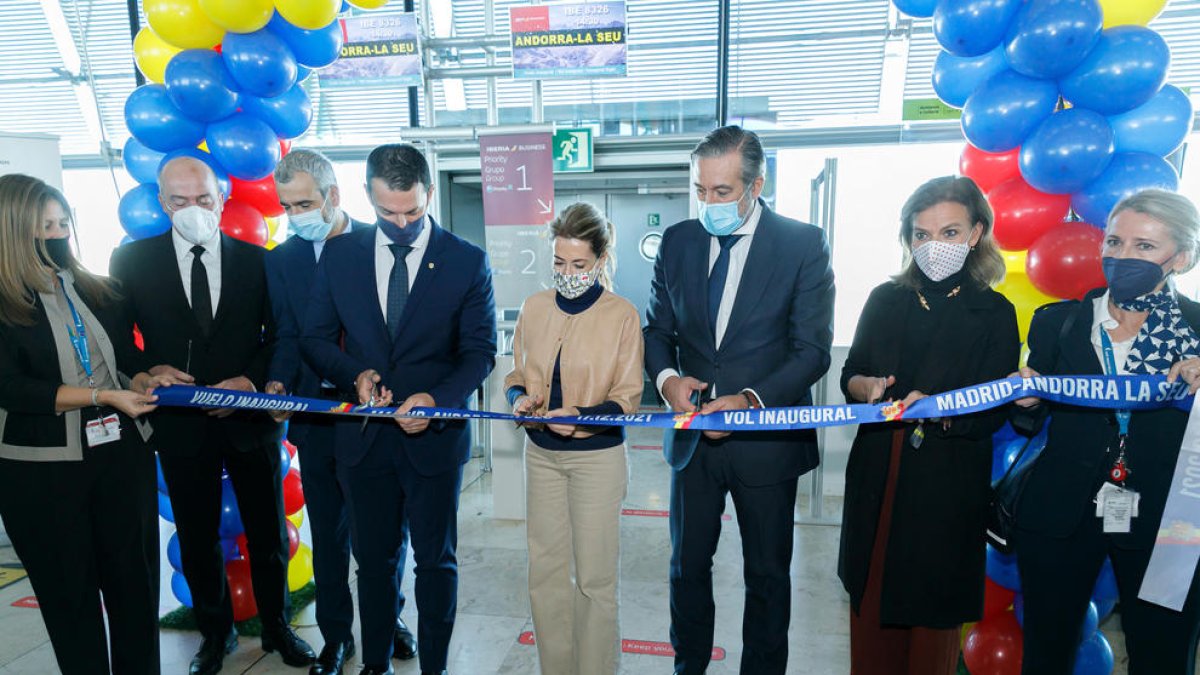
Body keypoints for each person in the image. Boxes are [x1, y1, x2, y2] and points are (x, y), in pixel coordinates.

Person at [110, 157, 315, 675]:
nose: (192, 209)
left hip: (249, 422)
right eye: (179, 201)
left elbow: (280, 336)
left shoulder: (258, 260)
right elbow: (115, 343)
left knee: (268, 535)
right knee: (198, 539)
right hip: (180, 428)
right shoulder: (131, 261)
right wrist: (146, 368)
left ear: (221, 200)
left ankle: (277, 627)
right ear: (162, 204)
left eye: (203, 199)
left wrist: (250, 381)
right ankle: (214, 634)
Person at [644, 125, 835, 675]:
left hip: (767, 444)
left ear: (756, 184)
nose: (709, 203)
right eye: (701, 190)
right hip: (693, 441)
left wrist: (751, 400)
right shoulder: (678, 242)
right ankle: (689, 666)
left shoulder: (801, 244)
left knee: (768, 576)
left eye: (722, 192)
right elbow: (657, 332)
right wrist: (667, 381)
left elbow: (811, 350)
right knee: (685, 567)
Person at [301, 143, 497, 675]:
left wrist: (437, 400)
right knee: (374, 563)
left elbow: (480, 351)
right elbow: (314, 339)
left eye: (412, 210)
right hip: (364, 441)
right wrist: (354, 376)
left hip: (434, 441)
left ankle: (434, 666)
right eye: (388, 212)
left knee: (435, 563)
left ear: (429, 193)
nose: (402, 223)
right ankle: (377, 664)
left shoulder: (466, 260)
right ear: (368, 197)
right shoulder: (341, 257)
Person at [1013, 189, 1200, 674]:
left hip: (1169, 523)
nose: (1122, 256)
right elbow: (1028, 419)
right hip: (1060, 513)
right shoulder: (1057, 323)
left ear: (1180, 257)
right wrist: (1027, 401)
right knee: (1045, 654)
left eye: (1144, 246)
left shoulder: (1199, 330)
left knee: (1162, 656)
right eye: (1114, 242)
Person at [839, 176, 1019, 674]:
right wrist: (866, 388)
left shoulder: (995, 312)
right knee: (872, 621)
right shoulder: (884, 299)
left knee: (930, 628)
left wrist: (941, 408)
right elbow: (848, 373)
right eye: (921, 234)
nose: (933, 245)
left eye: (949, 232)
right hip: (880, 475)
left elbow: (994, 409)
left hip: (946, 484)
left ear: (976, 233)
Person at [0, 174, 161, 674]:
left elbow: (118, 355)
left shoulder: (92, 287)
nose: (58, 234)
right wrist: (100, 395)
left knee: (134, 590)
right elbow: (11, 387)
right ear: (12, 232)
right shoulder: (5, 304)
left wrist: (144, 374)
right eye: (45, 226)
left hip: (120, 457)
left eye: (63, 222)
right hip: (41, 472)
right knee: (70, 602)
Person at [264, 149, 416, 675]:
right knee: (328, 532)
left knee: (384, 532)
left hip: (375, 416)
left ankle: (387, 619)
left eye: (304, 202)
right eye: (286, 206)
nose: (295, 215)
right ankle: (336, 638)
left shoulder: (380, 245)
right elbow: (287, 333)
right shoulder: (281, 261)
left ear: (333, 195)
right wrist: (278, 380)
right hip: (317, 418)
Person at [504, 202, 645, 675]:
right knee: (545, 574)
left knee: (595, 579)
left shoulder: (622, 316)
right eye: (559, 263)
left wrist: (582, 416)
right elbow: (516, 373)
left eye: (579, 264)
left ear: (601, 260)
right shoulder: (534, 307)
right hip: (541, 456)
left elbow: (627, 398)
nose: (567, 273)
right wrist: (520, 397)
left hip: (596, 460)